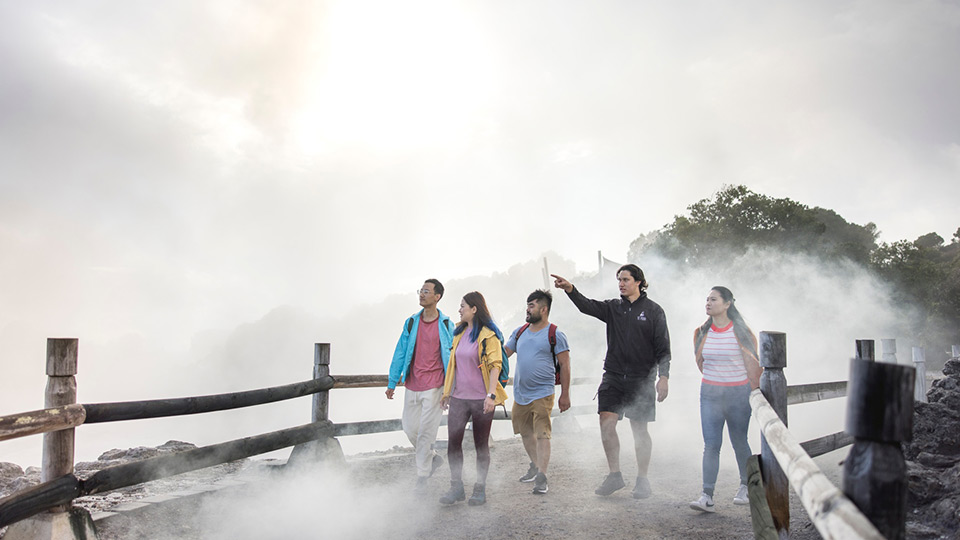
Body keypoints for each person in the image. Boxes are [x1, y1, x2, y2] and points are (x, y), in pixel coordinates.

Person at [551, 264, 670, 499]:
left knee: (639, 429)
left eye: (625, 279)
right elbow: (588, 306)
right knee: (606, 420)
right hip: (613, 375)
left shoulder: (654, 311)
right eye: (619, 280)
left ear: (638, 282)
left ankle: (642, 479)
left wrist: (663, 377)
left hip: (642, 379)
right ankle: (614, 475)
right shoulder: (613, 308)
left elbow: (663, 348)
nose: (621, 284)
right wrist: (570, 289)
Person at [689, 286, 762, 513]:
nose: (708, 303)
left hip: (738, 393)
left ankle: (746, 486)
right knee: (711, 445)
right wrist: (714, 380)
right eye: (707, 300)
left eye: (713, 299)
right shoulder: (701, 331)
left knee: (739, 440)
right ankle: (706, 496)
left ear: (727, 303)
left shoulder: (742, 332)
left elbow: (754, 363)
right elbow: (700, 360)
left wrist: (752, 390)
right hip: (709, 394)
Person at [438, 291, 509, 506]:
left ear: (474, 309)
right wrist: (447, 392)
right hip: (459, 398)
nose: (459, 310)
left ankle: (480, 489)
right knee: (453, 444)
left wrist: (490, 396)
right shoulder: (458, 334)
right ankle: (456, 487)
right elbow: (453, 366)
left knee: (481, 446)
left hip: (481, 399)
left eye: (463, 306)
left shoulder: (489, 335)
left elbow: (495, 366)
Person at [386, 279, 454, 491]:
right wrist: (392, 381)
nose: (422, 294)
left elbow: (453, 358)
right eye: (421, 291)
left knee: (426, 432)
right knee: (409, 427)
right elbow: (400, 351)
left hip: (435, 386)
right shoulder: (411, 322)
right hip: (412, 384)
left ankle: (422, 477)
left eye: (426, 291)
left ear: (437, 297)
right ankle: (432, 458)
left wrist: (449, 389)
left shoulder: (446, 325)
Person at [504, 289, 571, 495]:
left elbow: (565, 365)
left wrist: (565, 394)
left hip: (543, 392)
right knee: (525, 432)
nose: (527, 309)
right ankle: (535, 465)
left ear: (543, 309)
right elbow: (504, 354)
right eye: (527, 305)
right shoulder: (520, 332)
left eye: (532, 305)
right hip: (520, 393)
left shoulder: (556, 334)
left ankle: (542, 475)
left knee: (543, 434)